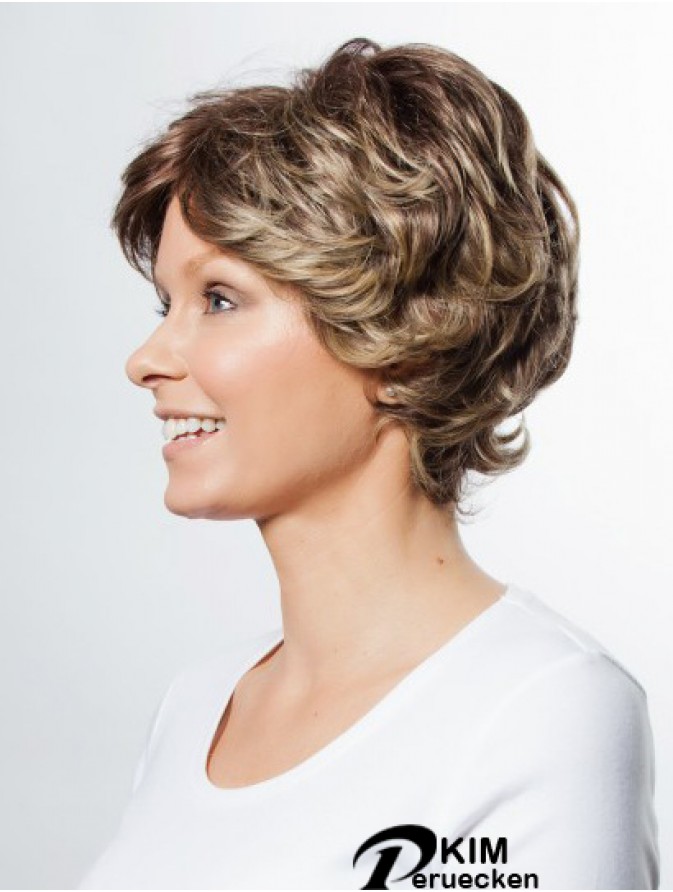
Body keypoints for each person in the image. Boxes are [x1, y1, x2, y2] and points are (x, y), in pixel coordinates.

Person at [77, 37, 659, 890]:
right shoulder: (195, 707)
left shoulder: (542, 709)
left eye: (220, 299)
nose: (146, 359)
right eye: (167, 303)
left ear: (404, 334)